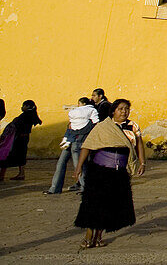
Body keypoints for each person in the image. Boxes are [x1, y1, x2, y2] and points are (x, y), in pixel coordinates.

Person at [73, 98, 145, 249]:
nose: (124, 112)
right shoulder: (103, 127)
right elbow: (88, 146)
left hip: (119, 173)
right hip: (100, 171)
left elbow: (139, 143)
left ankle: (99, 237)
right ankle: (88, 235)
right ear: (113, 111)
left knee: (109, 206)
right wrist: (79, 166)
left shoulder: (132, 126)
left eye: (126, 109)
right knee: (94, 203)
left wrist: (142, 162)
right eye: (120, 109)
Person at [46, 96, 99, 194]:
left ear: (82, 104)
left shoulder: (81, 113)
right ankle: (82, 187)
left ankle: (56, 188)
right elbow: (96, 123)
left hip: (73, 139)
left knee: (68, 163)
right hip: (76, 138)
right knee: (77, 163)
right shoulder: (92, 112)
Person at [0, 100, 41, 181]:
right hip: (24, 138)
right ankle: (21, 173)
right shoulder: (30, 115)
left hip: (18, 138)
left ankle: (2, 175)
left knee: (7, 154)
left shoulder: (25, 116)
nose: (22, 107)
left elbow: (17, 126)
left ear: (28, 106)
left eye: (24, 105)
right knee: (21, 155)